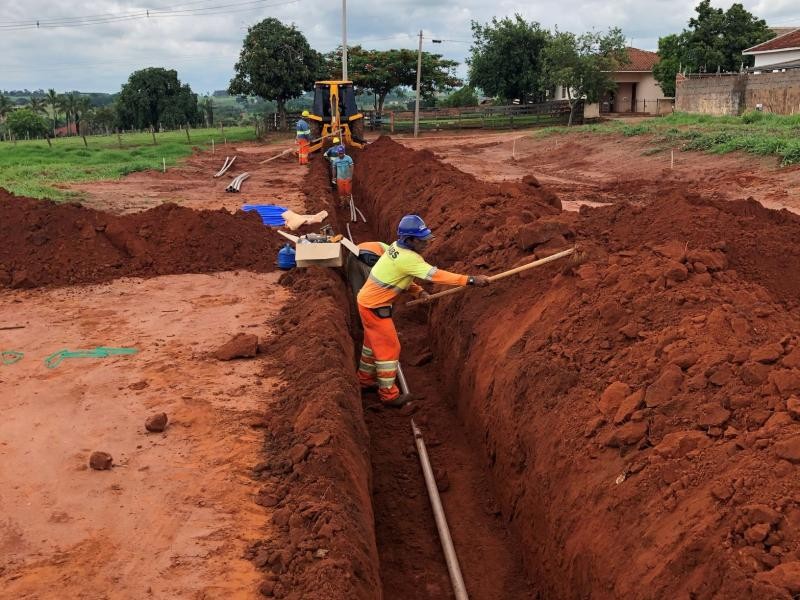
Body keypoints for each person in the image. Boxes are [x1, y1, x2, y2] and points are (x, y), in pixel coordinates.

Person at [356, 215, 490, 407]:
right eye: (421, 240)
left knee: (371, 344)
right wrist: (470, 280)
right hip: (374, 307)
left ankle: (365, 380)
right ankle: (389, 395)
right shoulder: (408, 258)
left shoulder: (396, 248)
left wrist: (418, 291)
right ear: (409, 240)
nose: (426, 243)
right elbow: (436, 275)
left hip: (367, 302)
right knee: (390, 348)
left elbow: (399, 276)